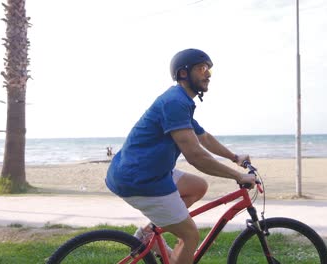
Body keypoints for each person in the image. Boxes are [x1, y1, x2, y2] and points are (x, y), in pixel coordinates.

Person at [105, 48, 256, 264]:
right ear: (183, 73)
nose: (208, 74)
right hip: (141, 179)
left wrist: (235, 157)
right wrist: (238, 176)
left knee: (198, 187)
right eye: (202, 68)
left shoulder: (181, 101)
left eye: (209, 70)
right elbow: (195, 156)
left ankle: (149, 233)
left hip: (145, 170)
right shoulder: (175, 102)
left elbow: (203, 137)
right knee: (190, 235)